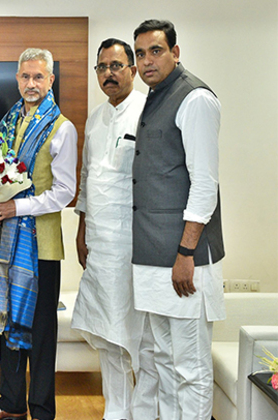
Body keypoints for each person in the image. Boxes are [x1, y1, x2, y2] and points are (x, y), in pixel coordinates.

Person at [0, 48, 77, 420]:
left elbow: (65, 193)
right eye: (25, 77)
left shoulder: (61, 127)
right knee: (9, 323)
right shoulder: (10, 121)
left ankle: (42, 410)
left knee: (42, 334)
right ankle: (11, 405)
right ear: (17, 80)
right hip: (8, 241)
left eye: (39, 77)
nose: (31, 84)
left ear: (51, 80)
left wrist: (15, 207)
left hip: (42, 247)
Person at [132, 19, 225, 420]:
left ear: (175, 52)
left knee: (191, 366)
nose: (146, 61)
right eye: (140, 54)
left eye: (156, 50)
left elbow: (204, 185)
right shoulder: (154, 96)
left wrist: (186, 252)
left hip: (181, 259)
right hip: (153, 258)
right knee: (165, 362)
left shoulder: (195, 98)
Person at [70, 38, 159, 420]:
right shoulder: (94, 119)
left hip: (133, 246)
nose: (109, 74)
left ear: (133, 70)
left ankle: (144, 412)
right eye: (102, 67)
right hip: (99, 244)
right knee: (107, 335)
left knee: (138, 339)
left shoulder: (147, 112)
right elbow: (88, 178)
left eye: (117, 66)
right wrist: (81, 227)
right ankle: (116, 410)